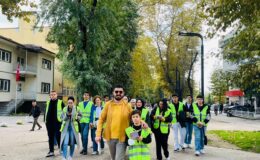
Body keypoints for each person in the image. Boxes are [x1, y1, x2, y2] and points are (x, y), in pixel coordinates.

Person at [95, 85, 133, 160]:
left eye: (120, 92)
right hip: (110, 138)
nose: (118, 93)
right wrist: (98, 134)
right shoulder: (107, 105)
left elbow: (135, 118)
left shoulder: (128, 106)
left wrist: (144, 125)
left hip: (122, 138)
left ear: (123, 93)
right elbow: (101, 120)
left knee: (119, 158)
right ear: (113, 93)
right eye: (116, 91)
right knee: (113, 158)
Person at [45, 90, 65, 157]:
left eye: (54, 94)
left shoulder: (60, 102)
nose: (53, 95)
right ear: (50, 95)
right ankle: (51, 151)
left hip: (57, 122)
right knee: (50, 137)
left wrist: (62, 120)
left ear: (56, 95)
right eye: (51, 94)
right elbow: (46, 112)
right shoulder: (48, 102)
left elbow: (64, 112)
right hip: (49, 123)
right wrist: (45, 121)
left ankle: (61, 149)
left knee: (58, 136)